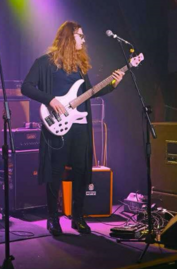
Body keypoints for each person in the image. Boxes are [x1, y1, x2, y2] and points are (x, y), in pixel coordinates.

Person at [21, 21, 125, 236]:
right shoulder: (45, 63)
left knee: (80, 171)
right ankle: (53, 219)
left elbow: (90, 93)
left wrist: (113, 84)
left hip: (79, 127)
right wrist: (50, 99)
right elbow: (26, 87)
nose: (84, 39)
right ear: (69, 37)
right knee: (55, 173)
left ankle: (78, 217)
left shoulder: (79, 67)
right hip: (57, 126)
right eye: (80, 35)